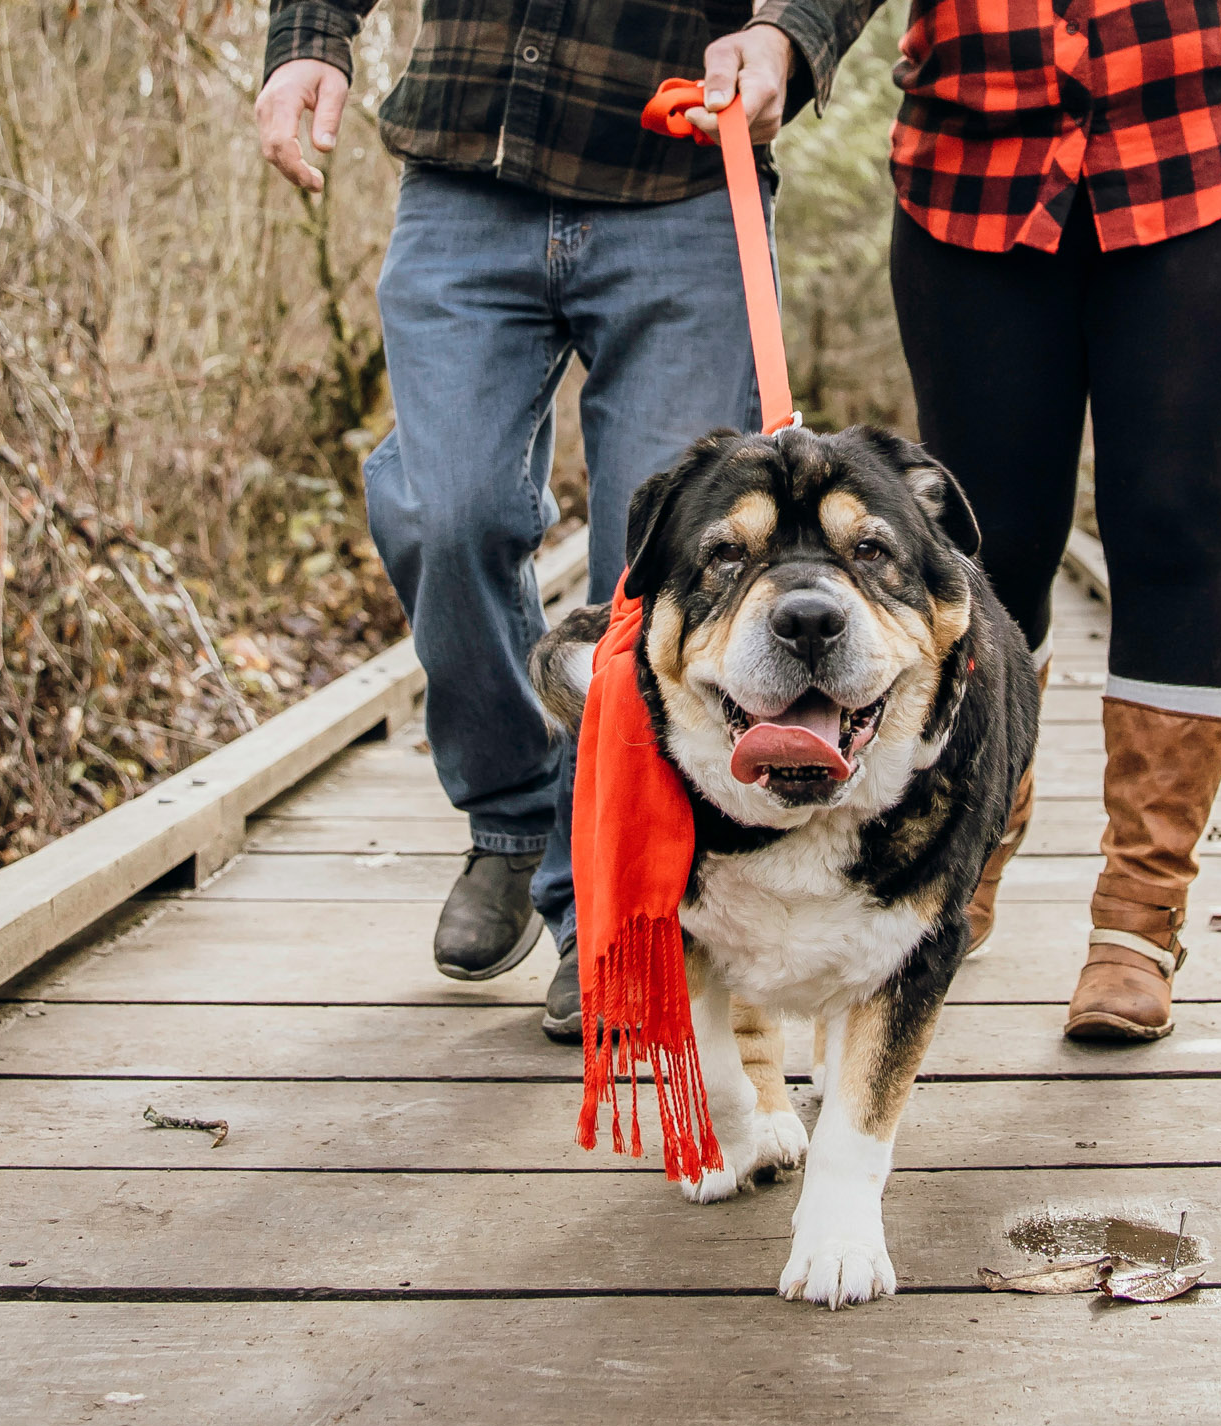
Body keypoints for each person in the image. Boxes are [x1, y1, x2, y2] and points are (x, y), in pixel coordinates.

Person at [253, 0, 870, 1040]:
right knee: (445, 512)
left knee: (656, 575)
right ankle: (506, 811)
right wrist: (306, 40)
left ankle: (607, 899)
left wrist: (789, 36)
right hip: (464, 161)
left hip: (677, 178)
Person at [887, 0, 1221, 1041]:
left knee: (1173, 524)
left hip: (1202, 139)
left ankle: (1139, 919)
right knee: (989, 549)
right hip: (972, 156)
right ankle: (977, 825)